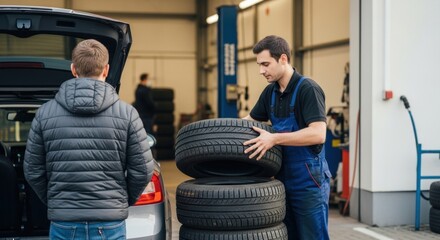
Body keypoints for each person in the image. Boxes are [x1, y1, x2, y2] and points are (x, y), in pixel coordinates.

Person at [23, 39, 154, 240]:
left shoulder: (44, 114)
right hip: (110, 223)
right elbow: (143, 169)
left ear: (73, 69)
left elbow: (33, 170)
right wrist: (118, 200)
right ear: (106, 70)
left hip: (64, 222)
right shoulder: (128, 114)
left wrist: (57, 200)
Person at [242, 35, 331, 240]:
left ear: (283, 59)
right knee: (287, 235)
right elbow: (248, 121)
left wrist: (274, 139)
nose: (261, 71)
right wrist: (217, 134)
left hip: (308, 179)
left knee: (311, 236)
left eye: (265, 64)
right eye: (259, 65)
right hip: (281, 178)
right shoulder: (270, 92)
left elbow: (318, 133)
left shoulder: (308, 89)